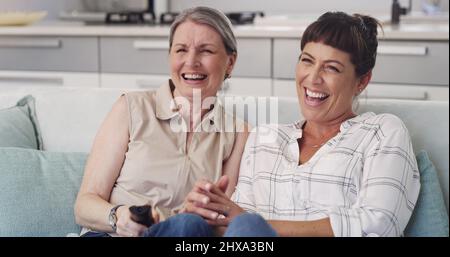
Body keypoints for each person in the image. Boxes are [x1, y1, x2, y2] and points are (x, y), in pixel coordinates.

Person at [167, 11, 421, 237]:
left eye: (331, 68)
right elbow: (234, 226)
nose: (313, 78)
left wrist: (256, 223)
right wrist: (210, 208)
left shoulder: (381, 132)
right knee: (187, 225)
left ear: (362, 82)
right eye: (307, 60)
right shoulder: (264, 138)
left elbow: (378, 224)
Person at [74, 6, 249, 237]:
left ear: (230, 63)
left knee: (189, 226)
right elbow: (84, 205)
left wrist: (189, 217)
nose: (191, 61)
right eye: (181, 50)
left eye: (205, 51)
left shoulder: (237, 133)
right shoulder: (131, 108)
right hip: (110, 234)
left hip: (182, 236)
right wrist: (118, 216)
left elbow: (221, 223)